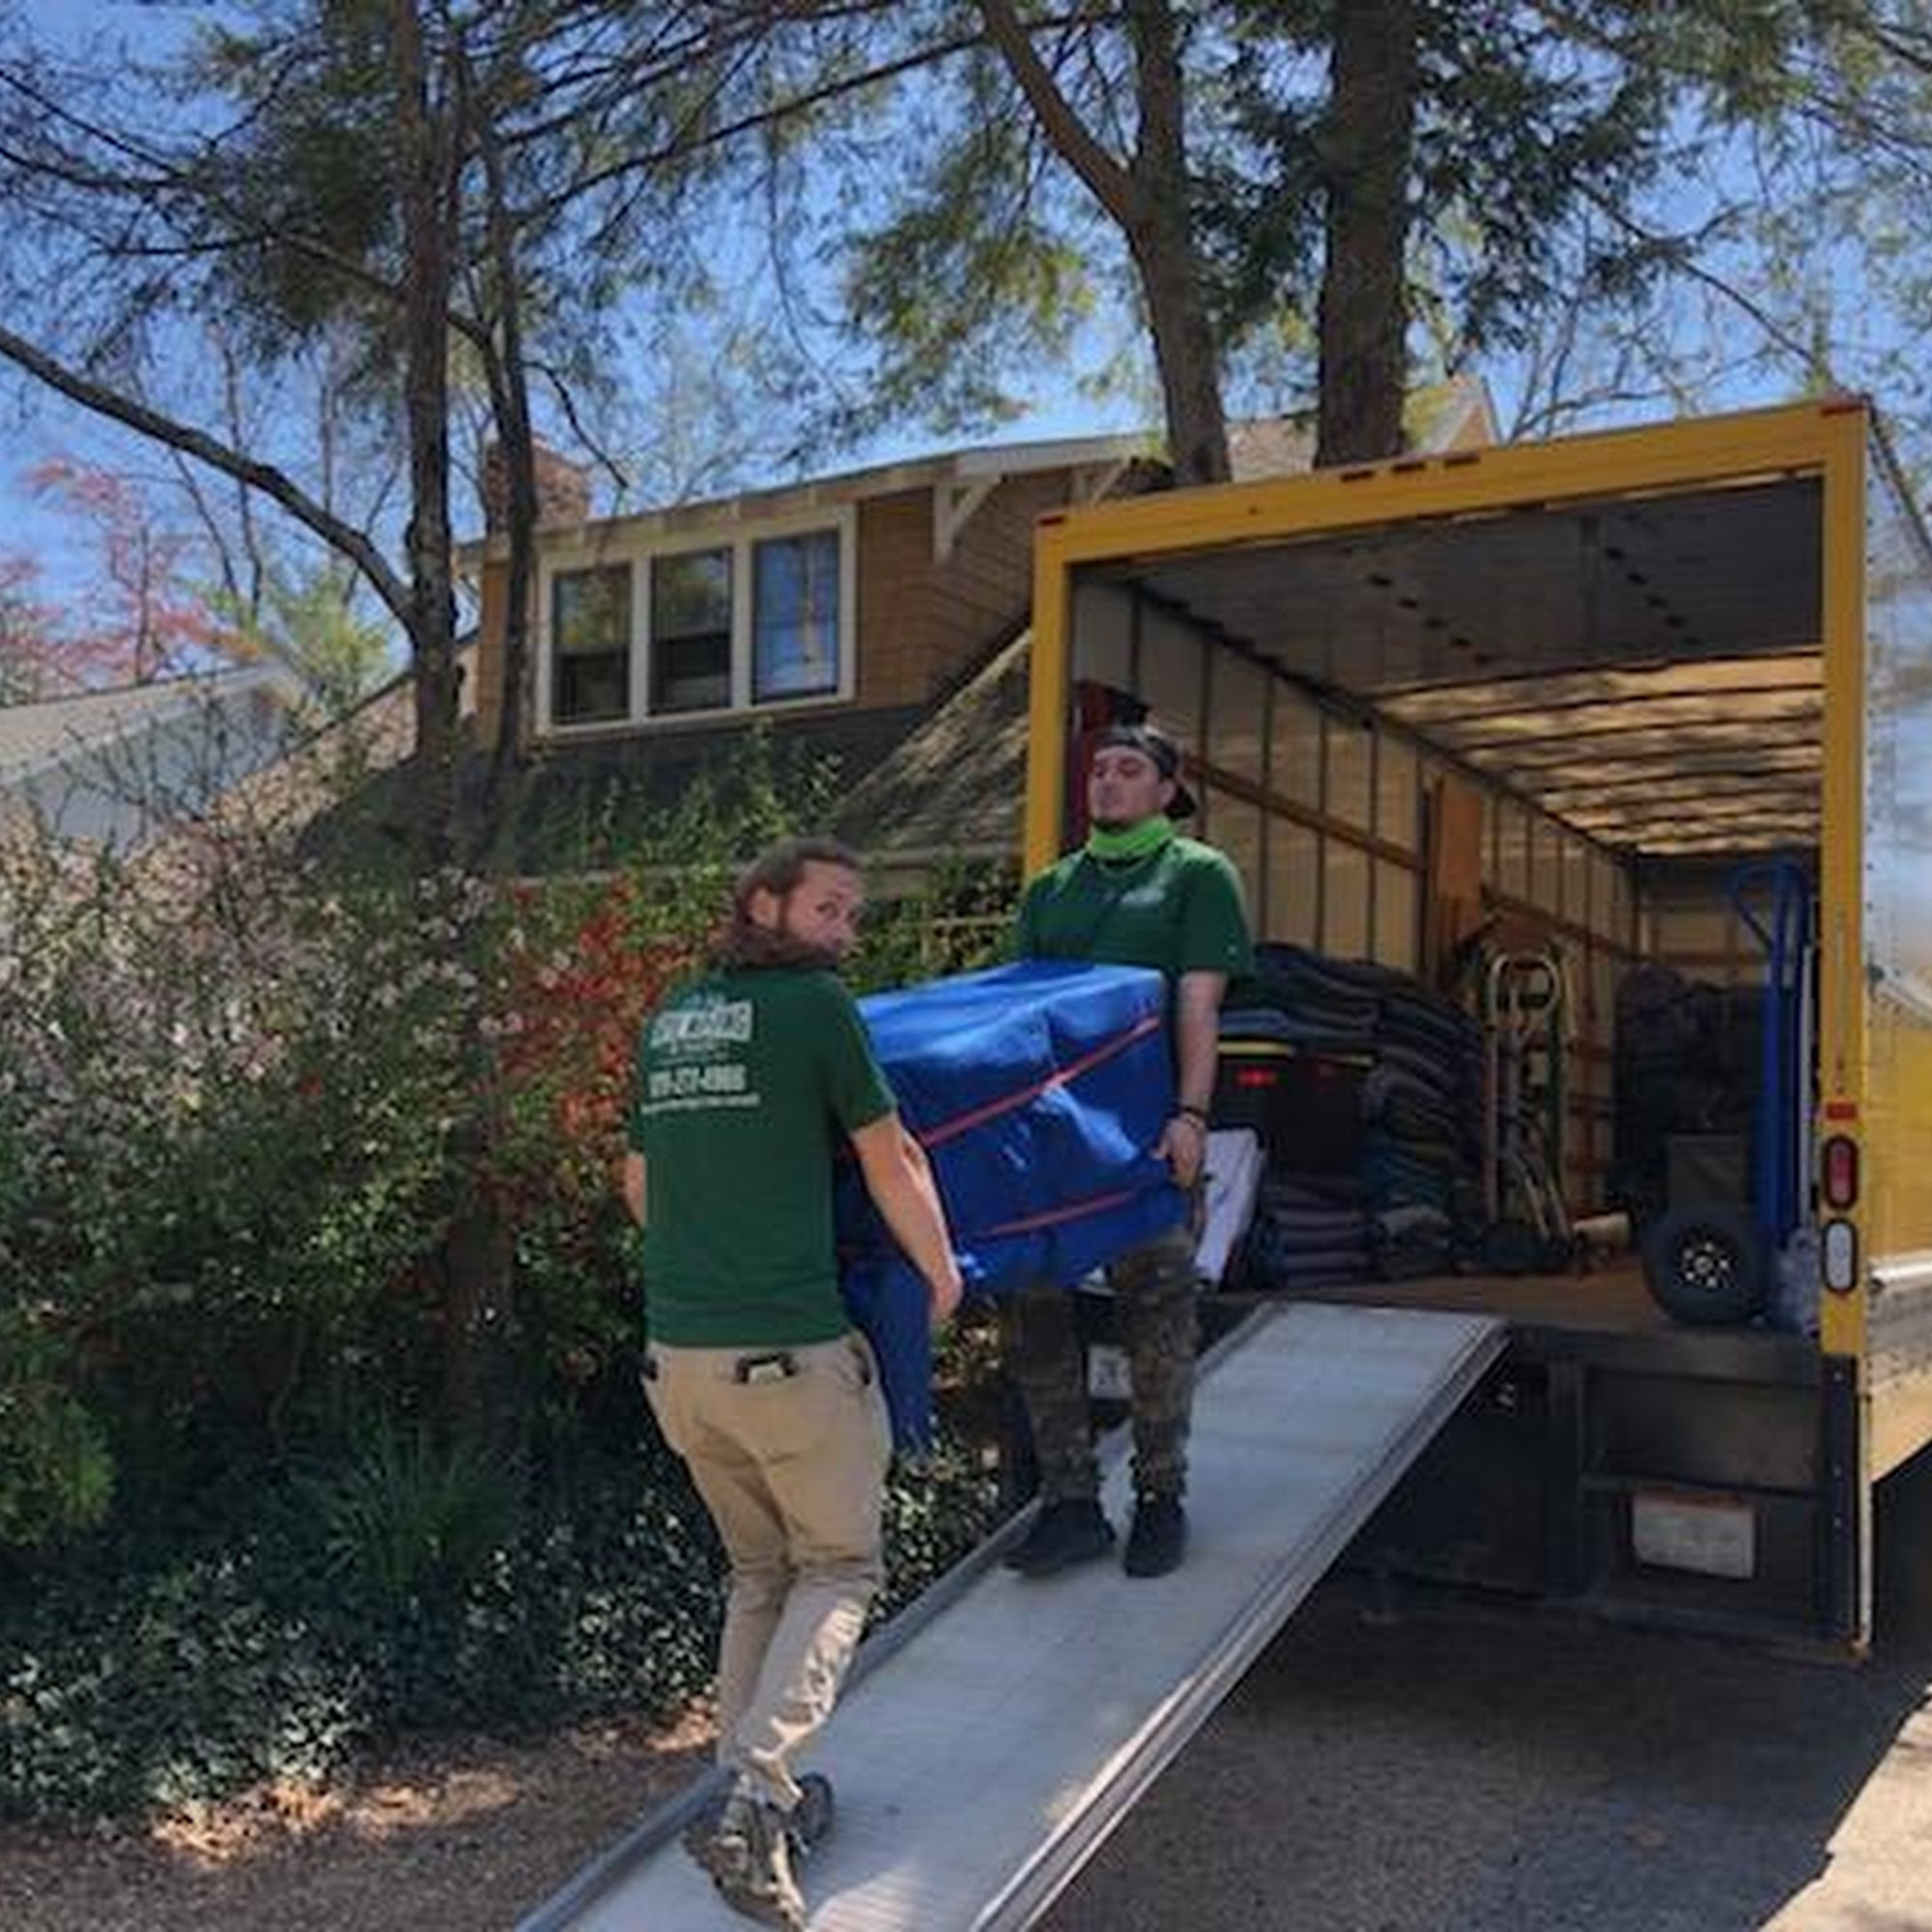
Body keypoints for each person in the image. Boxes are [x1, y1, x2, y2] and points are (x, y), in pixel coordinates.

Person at [624, 836, 963, 1930]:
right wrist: (942, 1272)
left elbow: (639, 1186)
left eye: (852, 913)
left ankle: (740, 1792)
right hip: (789, 1355)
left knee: (757, 1571)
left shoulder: (672, 1018)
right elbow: (892, 1157)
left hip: (681, 1363)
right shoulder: (817, 1008)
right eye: (829, 908)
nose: (845, 932)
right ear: (763, 904)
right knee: (839, 1565)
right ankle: (761, 1791)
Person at [1004, 722, 1254, 1580]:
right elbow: (1022, 1016)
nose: (1106, 781)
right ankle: (1070, 1502)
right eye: (1099, 769)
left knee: (1158, 1311)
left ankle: (1159, 1496)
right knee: (1034, 1309)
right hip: (1056, 1140)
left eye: (1128, 769)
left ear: (1166, 790)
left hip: (1145, 1132)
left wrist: (1191, 1114)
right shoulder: (1051, 889)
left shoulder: (1198, 875)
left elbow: (1198, 1006)